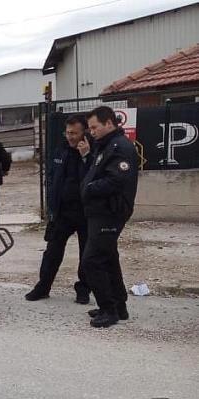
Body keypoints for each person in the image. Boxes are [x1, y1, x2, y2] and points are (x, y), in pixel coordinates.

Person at [78, 106, 139, 328]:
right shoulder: (104, 146)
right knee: (109, 259)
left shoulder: (120, 147)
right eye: (90, 128)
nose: (91, 132)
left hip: (110, 213)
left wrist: (89, 189)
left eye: (94, 127)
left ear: (109, 123)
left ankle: (108, 309)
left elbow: (116, 181)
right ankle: (119, 306)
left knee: (92, 261)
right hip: (99, 212)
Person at [26, 115, 92, 304]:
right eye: (68, 133)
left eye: (75, 133)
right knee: (52, 251)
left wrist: (86, 157)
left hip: (85, 212)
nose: (70, 137)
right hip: (62, 212)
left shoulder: (93, 152)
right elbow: (52, 178)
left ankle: (83, 290)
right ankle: (43, 287)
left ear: (84, 132)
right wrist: (51, 205)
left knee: (86, 253)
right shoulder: (60, 150)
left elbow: (93, 178)